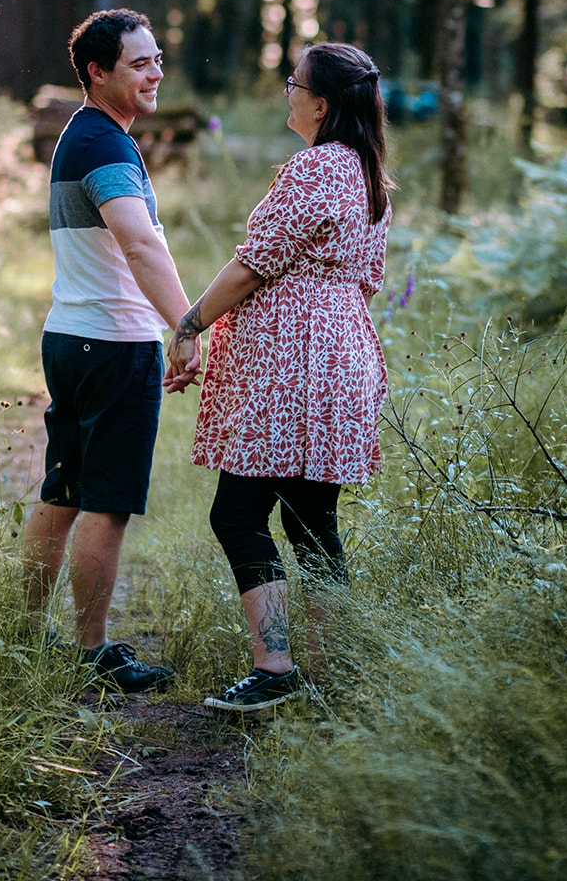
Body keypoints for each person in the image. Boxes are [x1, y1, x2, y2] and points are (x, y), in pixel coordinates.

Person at [166, 41, 394, 713]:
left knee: (237, 514)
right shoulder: (368, 173)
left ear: (320, 102)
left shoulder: (314, 169)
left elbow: (250, 265)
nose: (285, 92)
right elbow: (367, 284)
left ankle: (275, 668)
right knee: (310, 517)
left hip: (288, 368)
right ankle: (331, 672)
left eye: (291, 83)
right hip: (340, 360)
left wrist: (187, 325)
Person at [22, 9, 197, 693]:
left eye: (157, 60)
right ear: (97, 72)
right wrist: (184, 323)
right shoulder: (105, 146)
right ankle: (91, 652)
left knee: (62, 491)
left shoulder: (86, 136)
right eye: (139, 63)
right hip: (113, 344)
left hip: (71, 336)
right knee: (105, 502)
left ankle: (24, 634)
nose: (154, 73)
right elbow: (140, 242)